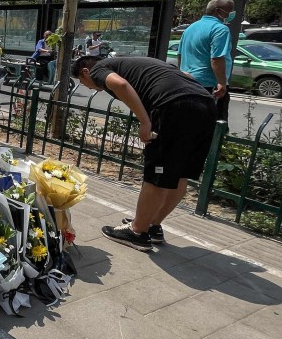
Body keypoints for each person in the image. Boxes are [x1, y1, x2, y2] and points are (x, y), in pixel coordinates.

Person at [71, 55, 216, 250]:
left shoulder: (98, 69)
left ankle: (137, 232)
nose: (87, 86)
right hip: (205, 105)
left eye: (83, 81)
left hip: (173, 107)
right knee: (180, 174)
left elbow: (120, 85)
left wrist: (145, 122)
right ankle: (152, 225)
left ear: (86, 71)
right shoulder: (134, 62)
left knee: (157, 173)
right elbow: (186, 75)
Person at [177, 0, 234, 122]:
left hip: (187, 83)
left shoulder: (190, 28)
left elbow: (180, 55)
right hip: (210, 86)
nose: (231, 14)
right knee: (215, 126)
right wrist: (222, 83)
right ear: (218, 11)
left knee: (190, 123)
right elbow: (217, 58)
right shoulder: (220, 29)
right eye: (229, 11)